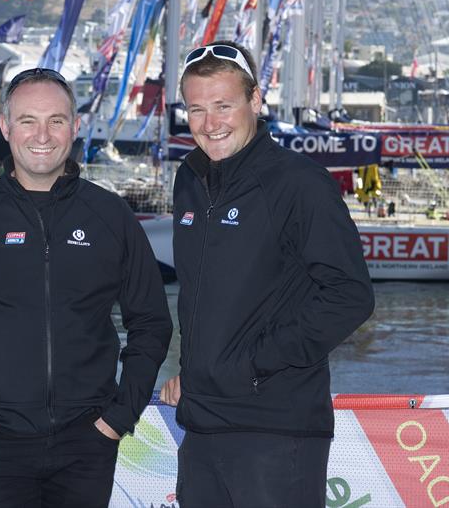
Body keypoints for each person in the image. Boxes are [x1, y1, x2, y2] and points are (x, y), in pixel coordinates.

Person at [0, 68, 172, 507]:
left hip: (88, 445)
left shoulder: (110, 215)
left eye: (56, 120)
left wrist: (116, 418)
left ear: (76, 126)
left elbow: (151, 323)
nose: (42, 135)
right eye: (28, 120)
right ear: (5, 127)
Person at [160, 42, 375, 507]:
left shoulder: (298, 183)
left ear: (255, 101)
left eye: (223, 106)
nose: (209, 123)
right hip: (201, 425)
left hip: (275, 430)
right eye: (196, 109)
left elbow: (349, 295)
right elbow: (208, 294)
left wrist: (252, 363)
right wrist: (195, 368)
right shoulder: (191, 178)